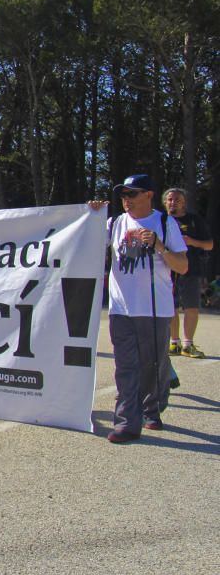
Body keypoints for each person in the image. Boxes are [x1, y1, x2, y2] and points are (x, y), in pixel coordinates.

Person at [90, 174, 188, 443]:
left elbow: (182, 266)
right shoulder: (114, 223)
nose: (126, 200)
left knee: (153, 364)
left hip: (155, 308)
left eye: (132, 194)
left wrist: (158, 245)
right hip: (121, 308)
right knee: (125, 366)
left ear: (148, 195)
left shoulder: (165, 223)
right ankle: (126, 422)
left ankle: (152, 408)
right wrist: (92, 215)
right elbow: (85, 242)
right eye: (123, 195)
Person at [163, 188, 213, 358]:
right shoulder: (160, 220)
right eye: (170, 199)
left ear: (184, 203)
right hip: (166, 269)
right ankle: (174, 343)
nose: (173, 202)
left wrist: (192, 241)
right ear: (165, 202)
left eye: (177, 199)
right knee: (170, 308)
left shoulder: (194, 221)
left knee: (191, 307)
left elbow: (209, 245)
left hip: (191, 270)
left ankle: (188, 344)